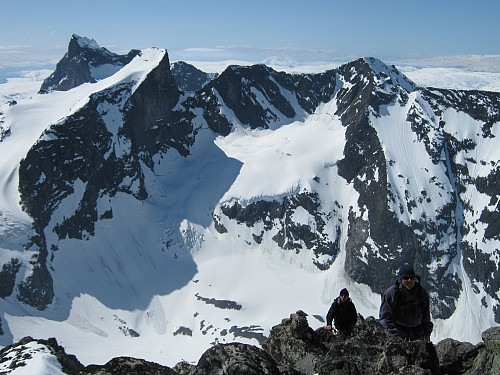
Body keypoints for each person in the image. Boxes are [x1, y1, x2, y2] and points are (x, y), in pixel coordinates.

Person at [379, 263, 433, 341]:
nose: (409, 281)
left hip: (417, 334)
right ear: (401, 279)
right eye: (406, 278)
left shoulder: (421, 293)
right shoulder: (391, 293)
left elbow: (426, 315)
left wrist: (427, 334)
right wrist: (395, 335)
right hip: (399, 333)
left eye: (412, 278)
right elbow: (385, 317)